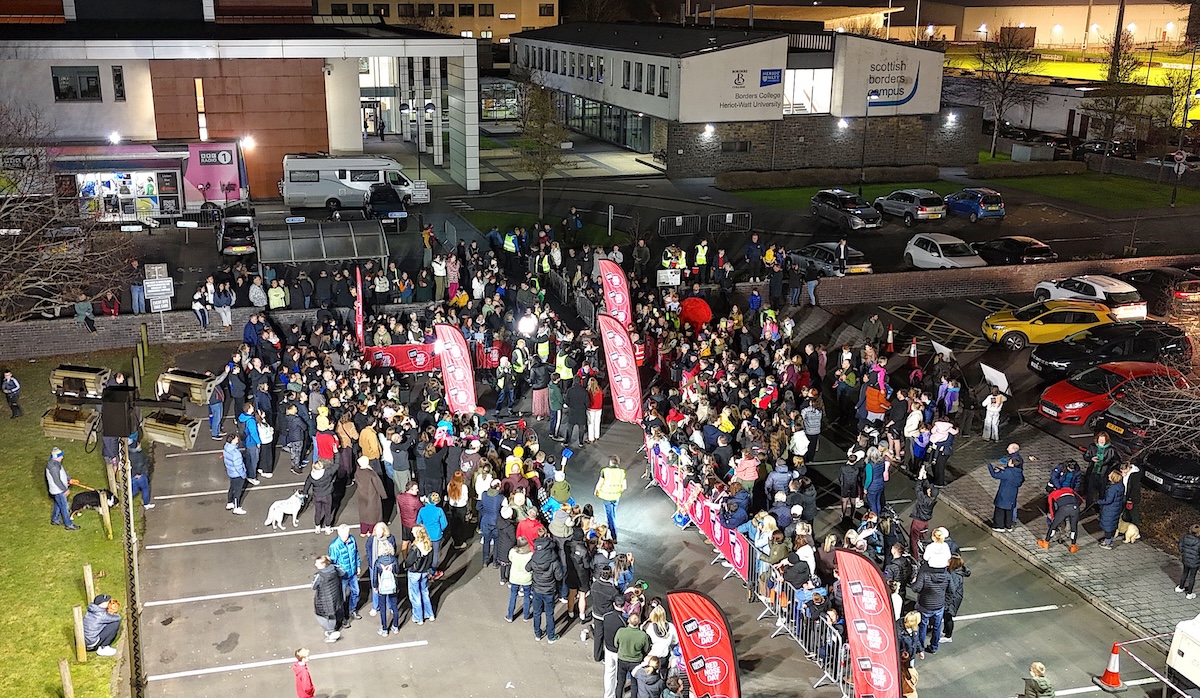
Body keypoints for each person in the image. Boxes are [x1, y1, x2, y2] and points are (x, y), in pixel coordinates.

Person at [528, 533, 564, 643]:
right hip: (549, 590)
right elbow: (559, 577)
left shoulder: (534, 558)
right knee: (549, 614)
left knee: (537, 613)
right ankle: (551, 636)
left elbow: (527, 568)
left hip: (537, 589)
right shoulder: (554, 561)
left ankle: (538, 634)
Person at [911, 558, 950, 656]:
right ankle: (934, 647)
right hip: (939, 605)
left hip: (925, 605)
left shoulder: (925, 575)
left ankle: (920, 648)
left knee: (922, 626)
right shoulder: (947, 576)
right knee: (937, 627)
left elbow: (916, 588)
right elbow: (952, 590)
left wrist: (915, 581)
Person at [329, 525, 362, 623]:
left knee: (356, 592)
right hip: (342, 576)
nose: (346, 536)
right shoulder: (334, 546)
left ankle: (352, 610)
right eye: (343, 534)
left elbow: (356, 553)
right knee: (341, 598)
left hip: (352, 573)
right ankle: (342, 617)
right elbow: (333, 563)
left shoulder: (352, 540)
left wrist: (358, 565)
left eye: (347, 534)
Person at [615, 612, 653, 697]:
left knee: (620, 682)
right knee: (634, 683)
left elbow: (615, 644)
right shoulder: (643, 635)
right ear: (639, 621)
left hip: (622, 660)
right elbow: (646, 649)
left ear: (628, 620)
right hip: (635, 662)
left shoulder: (621, 631)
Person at [405, 525, 436, 624]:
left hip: (414, 573)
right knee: (425, 593)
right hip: (424, 572)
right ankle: (429, 614)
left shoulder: (416, 547)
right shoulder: (428, 545)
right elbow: (431, 560)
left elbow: (409, 561)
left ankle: (419, 617)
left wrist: (405, 565)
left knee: (415, 596)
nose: (412, 533)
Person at [371, 539, 402, 636]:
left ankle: (384, 629)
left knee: (383, 608)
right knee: (394, 606)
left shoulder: (378, 561)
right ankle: (395, 626)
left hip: (382, 587)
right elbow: (397, 571)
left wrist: (375, 586)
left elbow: (375, 576)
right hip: (393, 586)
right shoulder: (394, 560)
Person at [1038, 486, 1081, 553]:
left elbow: (1051, 507)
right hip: (1075, 508)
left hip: (1064, 509)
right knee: (1074, 528)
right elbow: (1079, 498)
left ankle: (1046, 542)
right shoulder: (1069, 489)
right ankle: (1073, 546)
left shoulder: (1052, 494)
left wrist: (1053, 517)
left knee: (1054, 526)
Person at [46, 447, 80, 530]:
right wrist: (65, 490)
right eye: (61, 456)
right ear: (57, 457)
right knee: (64, 507)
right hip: (58, 490)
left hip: (59, 490)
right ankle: (69, 524)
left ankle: (55, 519)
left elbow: (63, 473)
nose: (62, 457)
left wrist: (69, 479)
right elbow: (56, 480)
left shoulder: (56, 463)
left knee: (58, 504)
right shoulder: (53, 467)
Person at [311, 556, 344, 642]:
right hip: (335, 595)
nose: (315, 564)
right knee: (332, 613)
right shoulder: (335, 568)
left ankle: (331, 632)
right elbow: (342, 573)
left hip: (324, 598)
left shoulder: (320, 575)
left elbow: (313, 586)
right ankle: (332, 630)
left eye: (317, 563)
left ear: (323, 564)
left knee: (320, 615)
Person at [416, 493, 448, 578]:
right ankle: (432, 572)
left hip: (425, 535)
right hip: (436, 536)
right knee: (435, 554)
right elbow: (444, 523)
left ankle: (424, 569)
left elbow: (418, 522)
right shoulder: (439, 510)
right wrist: (440, 530)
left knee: (425, 552)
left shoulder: (422, 510)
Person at [988, 456, 1025, 532]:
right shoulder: (1019, 472)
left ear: (1012, 464)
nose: (1008, 462)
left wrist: (989, 466)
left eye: (1009, 461)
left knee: (1000, 510)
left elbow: (994, 475)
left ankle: (999, 526)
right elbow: (1021, 480)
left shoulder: (1008, 473)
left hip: (1004, 493)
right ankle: (1008, 526)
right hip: (1012, 495)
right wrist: (1003, 469)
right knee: (1009, 510)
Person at [595, 455, 627, 541]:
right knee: (613, 512)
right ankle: (612, 524)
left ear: (610, 462)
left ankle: (614, 536)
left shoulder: (605, 471)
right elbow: (624, 486)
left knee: (610, 516)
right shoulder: (622, 472)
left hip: (607, 496)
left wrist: (596, 490)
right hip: (616, 496)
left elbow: (600, 483)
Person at [1083, 432, 1119, 507]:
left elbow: (1116, 461)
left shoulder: (1111, 449)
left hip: (1104, 474)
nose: (1101, 441)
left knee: (1102, 492)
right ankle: (1088, 507)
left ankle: (1100, 507)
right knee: (1090, 491)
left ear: (1106, 440)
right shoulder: (1092, 446)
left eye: (1103, 440)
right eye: (1100, 439)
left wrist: (1108, 467)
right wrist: (1091, 459)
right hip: (1093, 472)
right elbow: (1086, 456)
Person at [354, 457, 385, 536]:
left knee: (363, 514)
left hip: (362, 495)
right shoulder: (371, 474)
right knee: (373, 515)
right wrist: (383, 495)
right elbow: (378, 484)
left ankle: (363, 531)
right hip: (371, 496)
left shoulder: (357, 472)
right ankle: (371, 531)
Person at [303, 461, 336, 535]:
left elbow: (307, 484)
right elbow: (336, 465)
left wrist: (305, 493)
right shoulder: (326, 473)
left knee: (318, 511)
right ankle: (327, 528)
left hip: (317, 496)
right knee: (327, 512)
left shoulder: (312, 475)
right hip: (327, 495)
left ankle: (317, 527)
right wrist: (336, 453)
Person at [506, 536, 534, 622]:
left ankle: (510, 616)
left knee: (513, 595)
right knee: (526, 596)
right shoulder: (530, 554)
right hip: (526, 578)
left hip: (515, 577)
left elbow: (510, 559)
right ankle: (526, 615)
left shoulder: (513, 552)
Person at [942, 555, 969, 643]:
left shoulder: (954, 575)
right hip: (955, 597)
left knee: (948, 616)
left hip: (953, 599)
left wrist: (946, 603)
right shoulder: (957, 572)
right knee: (947, 616)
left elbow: (951, 590)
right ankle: (946, 631)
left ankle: (948, 636)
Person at [1097, 470, 1126, 550]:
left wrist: (1099, 501)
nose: (1109, 475)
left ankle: (1107, 543)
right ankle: (1109, 540)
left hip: (1110, 510)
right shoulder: (1121, 486)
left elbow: (1108, 500)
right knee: (1112, 525)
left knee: (1108, 527)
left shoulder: (1112, 489)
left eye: (1110, 474)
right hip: (1116, 509)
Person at [222, 434, 249, 515]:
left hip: (231, 472)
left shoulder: (226, 448)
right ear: (232, 440)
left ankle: (230, 502)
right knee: (238, 491)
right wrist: (243, 475)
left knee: (232, 487)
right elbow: (238, 466)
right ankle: (236, 508)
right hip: (237, 474)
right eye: (236, 438)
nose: (238, 439)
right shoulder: (236, 453)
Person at [129, 440, 154, 509]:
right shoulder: (139, 454)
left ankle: (127, 502)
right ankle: (146, 504)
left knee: (134, 490)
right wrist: (139, 473)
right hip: (141, 476)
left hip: (132, 476)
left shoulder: (129, 454)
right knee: (145, 488)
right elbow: (141, 464)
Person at [1178, 524, 1200, 600]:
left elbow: (1180, 548)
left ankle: (1180, 587)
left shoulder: (1185, 538)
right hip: (1195, 562)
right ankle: (1189, 593)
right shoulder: (1198, 542)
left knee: (1185, 573)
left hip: (1185, 560)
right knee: (1192, 577)